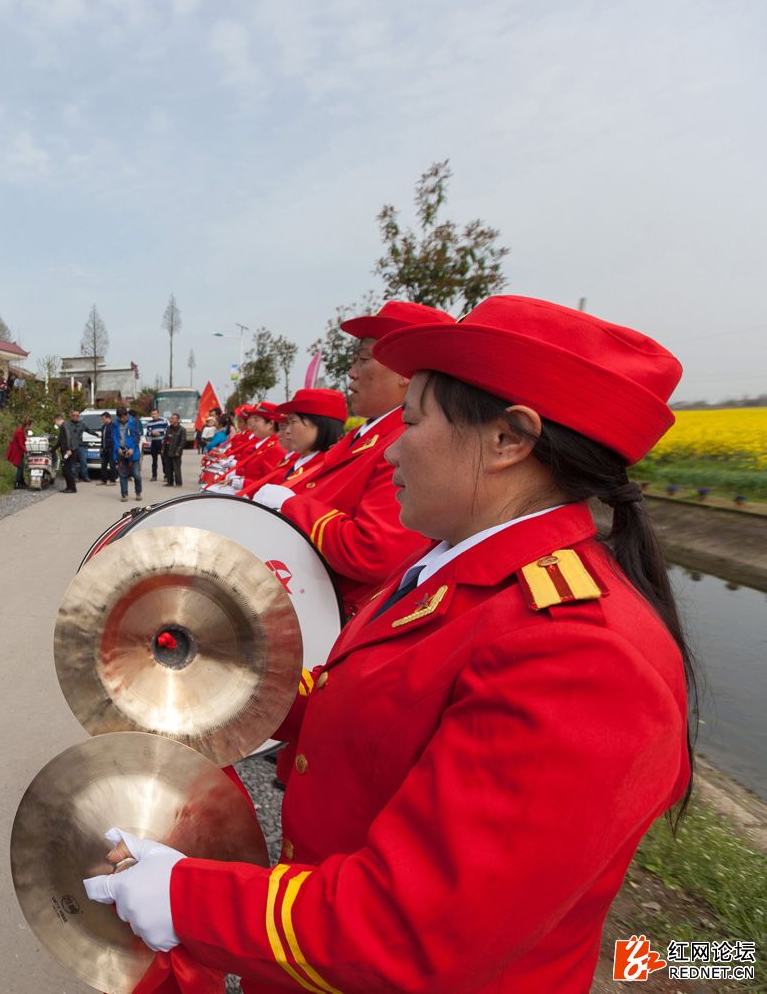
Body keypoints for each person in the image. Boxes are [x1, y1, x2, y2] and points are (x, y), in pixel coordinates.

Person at [84, 295, 696, 994]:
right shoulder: (454, 571)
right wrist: (202, 678)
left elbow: (411, 931)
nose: (392, 449)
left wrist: (181, 896)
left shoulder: (582, 656)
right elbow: (365, 711)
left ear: (509, 440)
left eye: (411, 423)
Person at [251, 302, 453, 617]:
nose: (351, 372)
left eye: (363, 359)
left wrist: (291, 505)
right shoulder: (364, 437)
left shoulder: (404, 441)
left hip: (332, 611)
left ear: (406, 371)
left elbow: (375, 552)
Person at [242, 389, 345, 497]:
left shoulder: (332, 469)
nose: (287, 431)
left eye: (293, 421)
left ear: (320, 424)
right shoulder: (301, 460)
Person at [114, 406, 144, 502]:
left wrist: (132, 448)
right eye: (121, 417)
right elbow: (114, 437)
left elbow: (137, 437)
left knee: (136, 474)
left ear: (127, 415)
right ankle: (124, 494)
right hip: (121, 452)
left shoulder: (134, 422)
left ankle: (138, 492)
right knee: (123, 475)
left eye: (124, 416)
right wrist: (117, 448)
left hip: (133, 452)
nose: (123, 419)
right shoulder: (115, 424)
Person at [58, 409, 84, 494]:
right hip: (70, 450)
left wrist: (68, 449)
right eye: (74, 415)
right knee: (66, 470)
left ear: (58, 419)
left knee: (67, 470)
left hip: (72, 450)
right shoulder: (66, 425)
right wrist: (52, 450)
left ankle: (72, 488)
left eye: (55, 421)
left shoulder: (64, 425)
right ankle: (69, 487)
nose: (55, 424)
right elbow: (60, 441)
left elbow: (68, 438)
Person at [163, 412, 186, 486]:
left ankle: (178, 483)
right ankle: (170, 482)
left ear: (177, 420)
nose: (171, 419)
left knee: (176, 468)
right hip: (167, 450)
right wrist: (163, 448)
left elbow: (182, 442)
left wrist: (178, 451)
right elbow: (165, 439)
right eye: (171, 418)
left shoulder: (182, 429)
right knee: (168, 468)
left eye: (173, 418)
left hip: (175, 451)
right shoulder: (168, 428)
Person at [6, 418, 30, 489]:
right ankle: (16, 483)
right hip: (16, 452)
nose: (30, 428)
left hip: (19, 452)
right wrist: (27, 451)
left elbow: (24, 440)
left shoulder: (21, 430)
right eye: (30, 426)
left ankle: (21, 482)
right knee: (20, 467)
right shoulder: (19, 431)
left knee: (21, 467)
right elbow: (20, 444)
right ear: (27, 425)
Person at [97, 412, 116, 485]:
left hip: (111, 448)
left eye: (103, 419)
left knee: (112, 465)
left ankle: (112, 480)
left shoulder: (113, 426)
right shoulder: (103, 426)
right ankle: (103, 479)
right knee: (103, 464)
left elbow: (112, 438)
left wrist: (109, 446)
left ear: (108, 418)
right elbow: (103, 438)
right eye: (102, 419)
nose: (102, 420)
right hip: (104, 449)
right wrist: (102, 447)